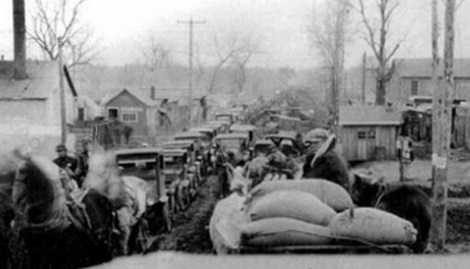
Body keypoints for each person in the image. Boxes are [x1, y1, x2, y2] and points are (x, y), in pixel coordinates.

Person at [302, 128, 351, 193]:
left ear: (325, 143)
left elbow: (310, 182)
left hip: (335, 197)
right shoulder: (330, 155)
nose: (311, 146)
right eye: (308, 144)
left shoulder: (327, 159)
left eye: (315, 143)